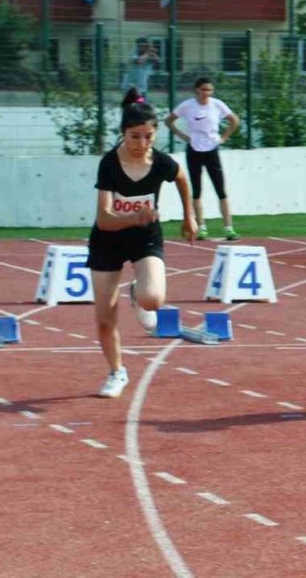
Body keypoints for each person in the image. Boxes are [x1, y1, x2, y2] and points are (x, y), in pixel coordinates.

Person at [87, 101, 197, 398]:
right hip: (108, 240)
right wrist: (134, 216)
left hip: (145, 237)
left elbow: (182, 178)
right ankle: (116, 372)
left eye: (149, 136)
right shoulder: (110, 163)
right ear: (123, 134)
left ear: (156, 134)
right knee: (104, 318)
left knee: (153, 300)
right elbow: (104, 219)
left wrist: (190, 216)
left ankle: (136, 291)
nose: (142, 143)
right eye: (135, 136)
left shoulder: (161, 163)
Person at [165, 77, 241, 241]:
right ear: (196, 90)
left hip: (212, 149)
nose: (206, 93)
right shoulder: (188, 105)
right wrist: (183, 136)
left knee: (220, 189)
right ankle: (202, 227)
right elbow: (169, 120)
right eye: (203, 89)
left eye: (209, 90)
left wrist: (224, 138)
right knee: (197, 190)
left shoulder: (217, 104)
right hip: (194, 150)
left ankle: (228, 228)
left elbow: (234, 120)